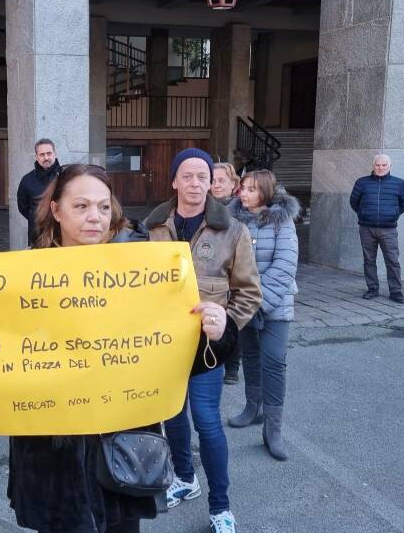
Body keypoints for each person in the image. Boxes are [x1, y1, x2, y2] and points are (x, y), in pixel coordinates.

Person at [0, 163, 222, 533]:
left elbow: (175, 357)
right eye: (81, 206)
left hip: (121, 458)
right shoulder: (20, 281)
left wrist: (215, 332)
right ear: (56, 210)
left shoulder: (142, 274)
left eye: (102, 207)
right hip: (52, 466)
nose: (94, 218)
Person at [144, 148, 262, 533]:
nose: (195, 183)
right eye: (188, 175)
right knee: (172, 415)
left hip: (208, 348)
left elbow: (248, 293)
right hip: (163, 345)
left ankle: (221, 506)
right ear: (174, 180)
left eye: (203, 176)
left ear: (212, 183)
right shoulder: (152, 228)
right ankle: (185, 479)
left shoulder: (233, 230)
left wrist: (226, 323)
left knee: (207, 422)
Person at [225, 170, 299, 462]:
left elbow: (284, 266)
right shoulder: (232, 221)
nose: (244, 194)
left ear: (266, 192)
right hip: (243, 304)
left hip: (274, 306)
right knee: (251, 356)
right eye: (243, 188)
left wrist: (257, 302)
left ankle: (273, 429)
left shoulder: (283, 221)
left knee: (274, 362)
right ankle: (251, 407)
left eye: (252, 189)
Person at [349, 154, 404, 303]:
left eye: (384, 165)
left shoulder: (399, 183)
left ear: (390, 166)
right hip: (366, 228)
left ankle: (396, 292)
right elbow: (354, 202)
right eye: (378, 165)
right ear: (373, 166)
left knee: (393, 261)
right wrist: (364, 215)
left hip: (388, 229)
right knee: (369, 260)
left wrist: (392, 215)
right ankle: (372, 289)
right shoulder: (362, 183)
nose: (380, 168)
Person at [212, 162, 242, 385]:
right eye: (212, 180)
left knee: (232, 322)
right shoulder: (202, 207)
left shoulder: (242, 210)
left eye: (222, 180)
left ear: (233, 184)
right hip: (211, 277)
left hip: (234, 273)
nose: (216, 185)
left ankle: (232, 367)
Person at [17, 138, 62, 245]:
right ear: (36, 157)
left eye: (49, 153)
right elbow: (23, 207)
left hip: (62, 234)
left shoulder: (65, 177)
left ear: (55, 154)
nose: (46, 157)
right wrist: (37, 218)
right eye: (42, 154)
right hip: (37, 235)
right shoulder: (27, 180)